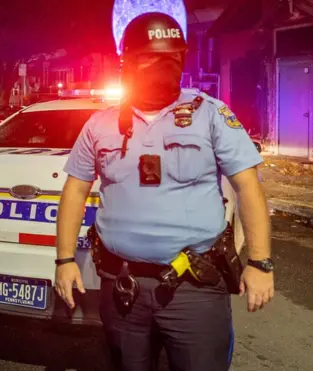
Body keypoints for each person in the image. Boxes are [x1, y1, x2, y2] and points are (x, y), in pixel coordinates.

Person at [54, 12, 274, 371]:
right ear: (129, 62)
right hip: (122, 287)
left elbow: (248, 186)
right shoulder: (101, 124)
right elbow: (75, 192)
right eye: (152, 58)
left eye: (173, 57)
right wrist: (64, 261)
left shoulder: (210, 115)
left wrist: (260, 262)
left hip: (195, 290)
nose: (163, 66)